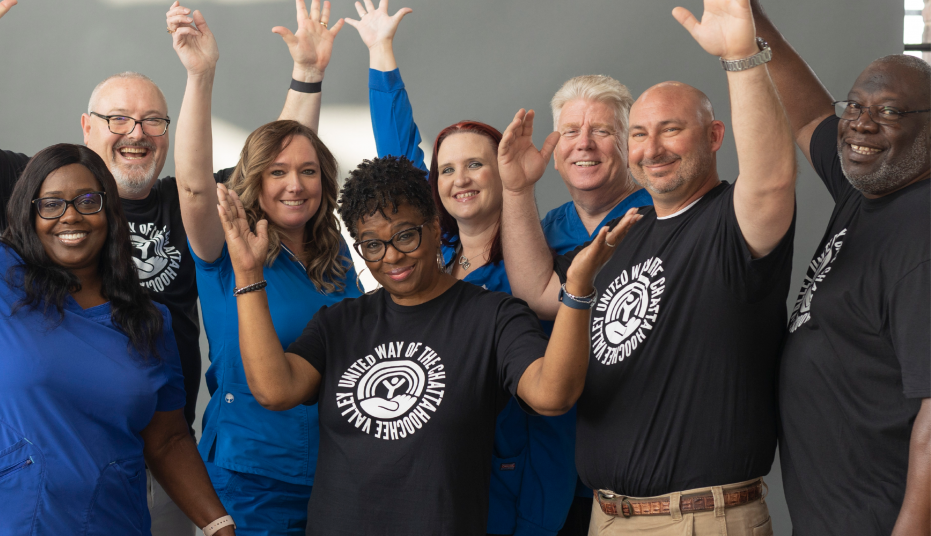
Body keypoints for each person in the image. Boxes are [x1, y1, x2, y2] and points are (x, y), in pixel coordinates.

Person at [0, 0, 336, 534]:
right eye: (118, 118)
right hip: (15, 483)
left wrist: (305, 75)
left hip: (152, 446)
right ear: (85, 127)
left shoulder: (179, 216)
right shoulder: (34, 190)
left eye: (153, 121)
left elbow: (279, 164)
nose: (136, 131)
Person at [498, 0, 797, 536]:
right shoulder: (626, 238)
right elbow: (539, 292)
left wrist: (741, 54)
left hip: (702, 520)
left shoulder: (730, 226)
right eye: (639, 133)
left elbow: (773, 179)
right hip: (609, 516)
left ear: (714, 138)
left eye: (671, 129)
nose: (652, 147)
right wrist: (514, 190)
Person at [217, 154, 640, 535]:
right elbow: (274, 391)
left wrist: (578, 291)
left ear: (436, 228)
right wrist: (248, 273)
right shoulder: (340, 323)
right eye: (373, 245)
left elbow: (553, 396)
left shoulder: (492, 316)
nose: (393, 257)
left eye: (405, 236)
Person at [709, 0, 931, 533]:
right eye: (855, 106)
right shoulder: (870, 186)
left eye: (887, 111)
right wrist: (755, 19)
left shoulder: (922, 234)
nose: (859, 124)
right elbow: (809, 110)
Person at [0, 144, 235, 536]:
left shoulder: (149, 321)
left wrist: (219, 524)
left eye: (87, 201)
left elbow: (167, 439)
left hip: (109, 523)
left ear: (111, 212)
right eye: (51, 204)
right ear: (29, 212)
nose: (71, 215)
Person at [345, 0, 569, 536]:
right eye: (446, 170)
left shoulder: (534, 268)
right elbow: (399, 158)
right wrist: (381, 54)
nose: (459, 179)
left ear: (506, 171)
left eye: (476, 164)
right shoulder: (433, 260)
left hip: (517, 480)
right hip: (437, 477)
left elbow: (550, 411)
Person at [167, 0, 361, 535]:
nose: (294, 184)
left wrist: (308, 77)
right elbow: (193, 183)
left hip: (340, 472)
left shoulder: (336, 256)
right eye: (276, 174)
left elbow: (293, 148)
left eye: (307, 173)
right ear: (254, 182)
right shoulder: (229, 247)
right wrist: (200, 74)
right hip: (252, 481)